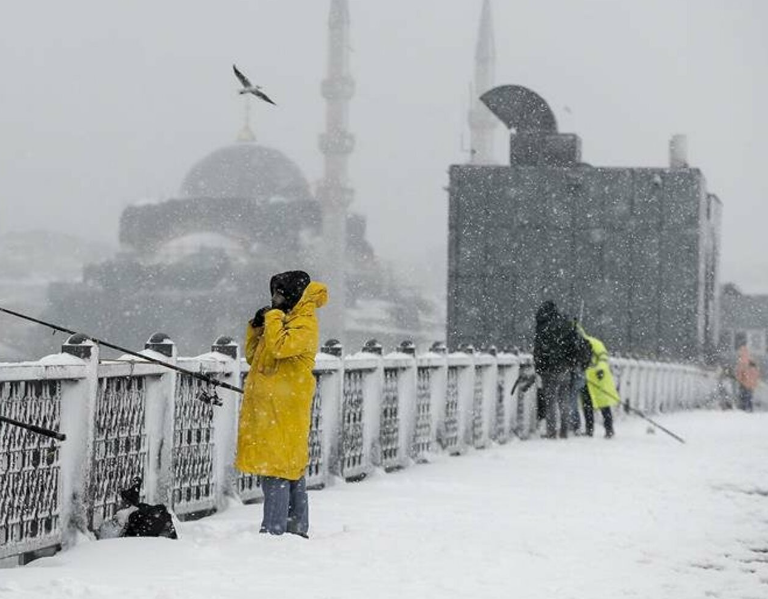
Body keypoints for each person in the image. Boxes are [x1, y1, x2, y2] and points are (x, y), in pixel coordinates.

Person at [235, 270, 327, 537]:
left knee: (277, 468)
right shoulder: (285, 321)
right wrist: (257, 327)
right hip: (271, 409)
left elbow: (279, 348)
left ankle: (274, 531)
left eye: (279, 294)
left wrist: (273, 317)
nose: (275, 299)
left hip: (286, 410)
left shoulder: (304, 323)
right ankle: (295, 527)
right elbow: (256, 358)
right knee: (287, 467)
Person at [533, 301, 588, 439]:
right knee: (564, 400)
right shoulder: (566, 324)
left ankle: (551, 431)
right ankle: (564, 430)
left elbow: (539, 349)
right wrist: (571, 362)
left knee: (550, 401)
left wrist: (539, 367)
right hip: (565, 368)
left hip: (549, 369)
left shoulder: (543, 326)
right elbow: (573, 344)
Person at [581, 332, 619, 438]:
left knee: (603, 404)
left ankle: (608, 429)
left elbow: (603, 356)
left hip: (598, 378)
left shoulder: (594, 343)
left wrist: (600, 368)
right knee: (587, 404)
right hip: (586, 378)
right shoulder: (577, 344)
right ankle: (590, 429)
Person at [735, 345, 759, 412]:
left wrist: (739, 379)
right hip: (751, 383)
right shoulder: (752, 361)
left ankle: (743, 410)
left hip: (744, 383)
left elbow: (739, 374)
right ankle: (750, 409)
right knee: (749, 397)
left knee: (743, 397)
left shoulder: (741, 362)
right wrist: (754, 382)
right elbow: (756, 373)